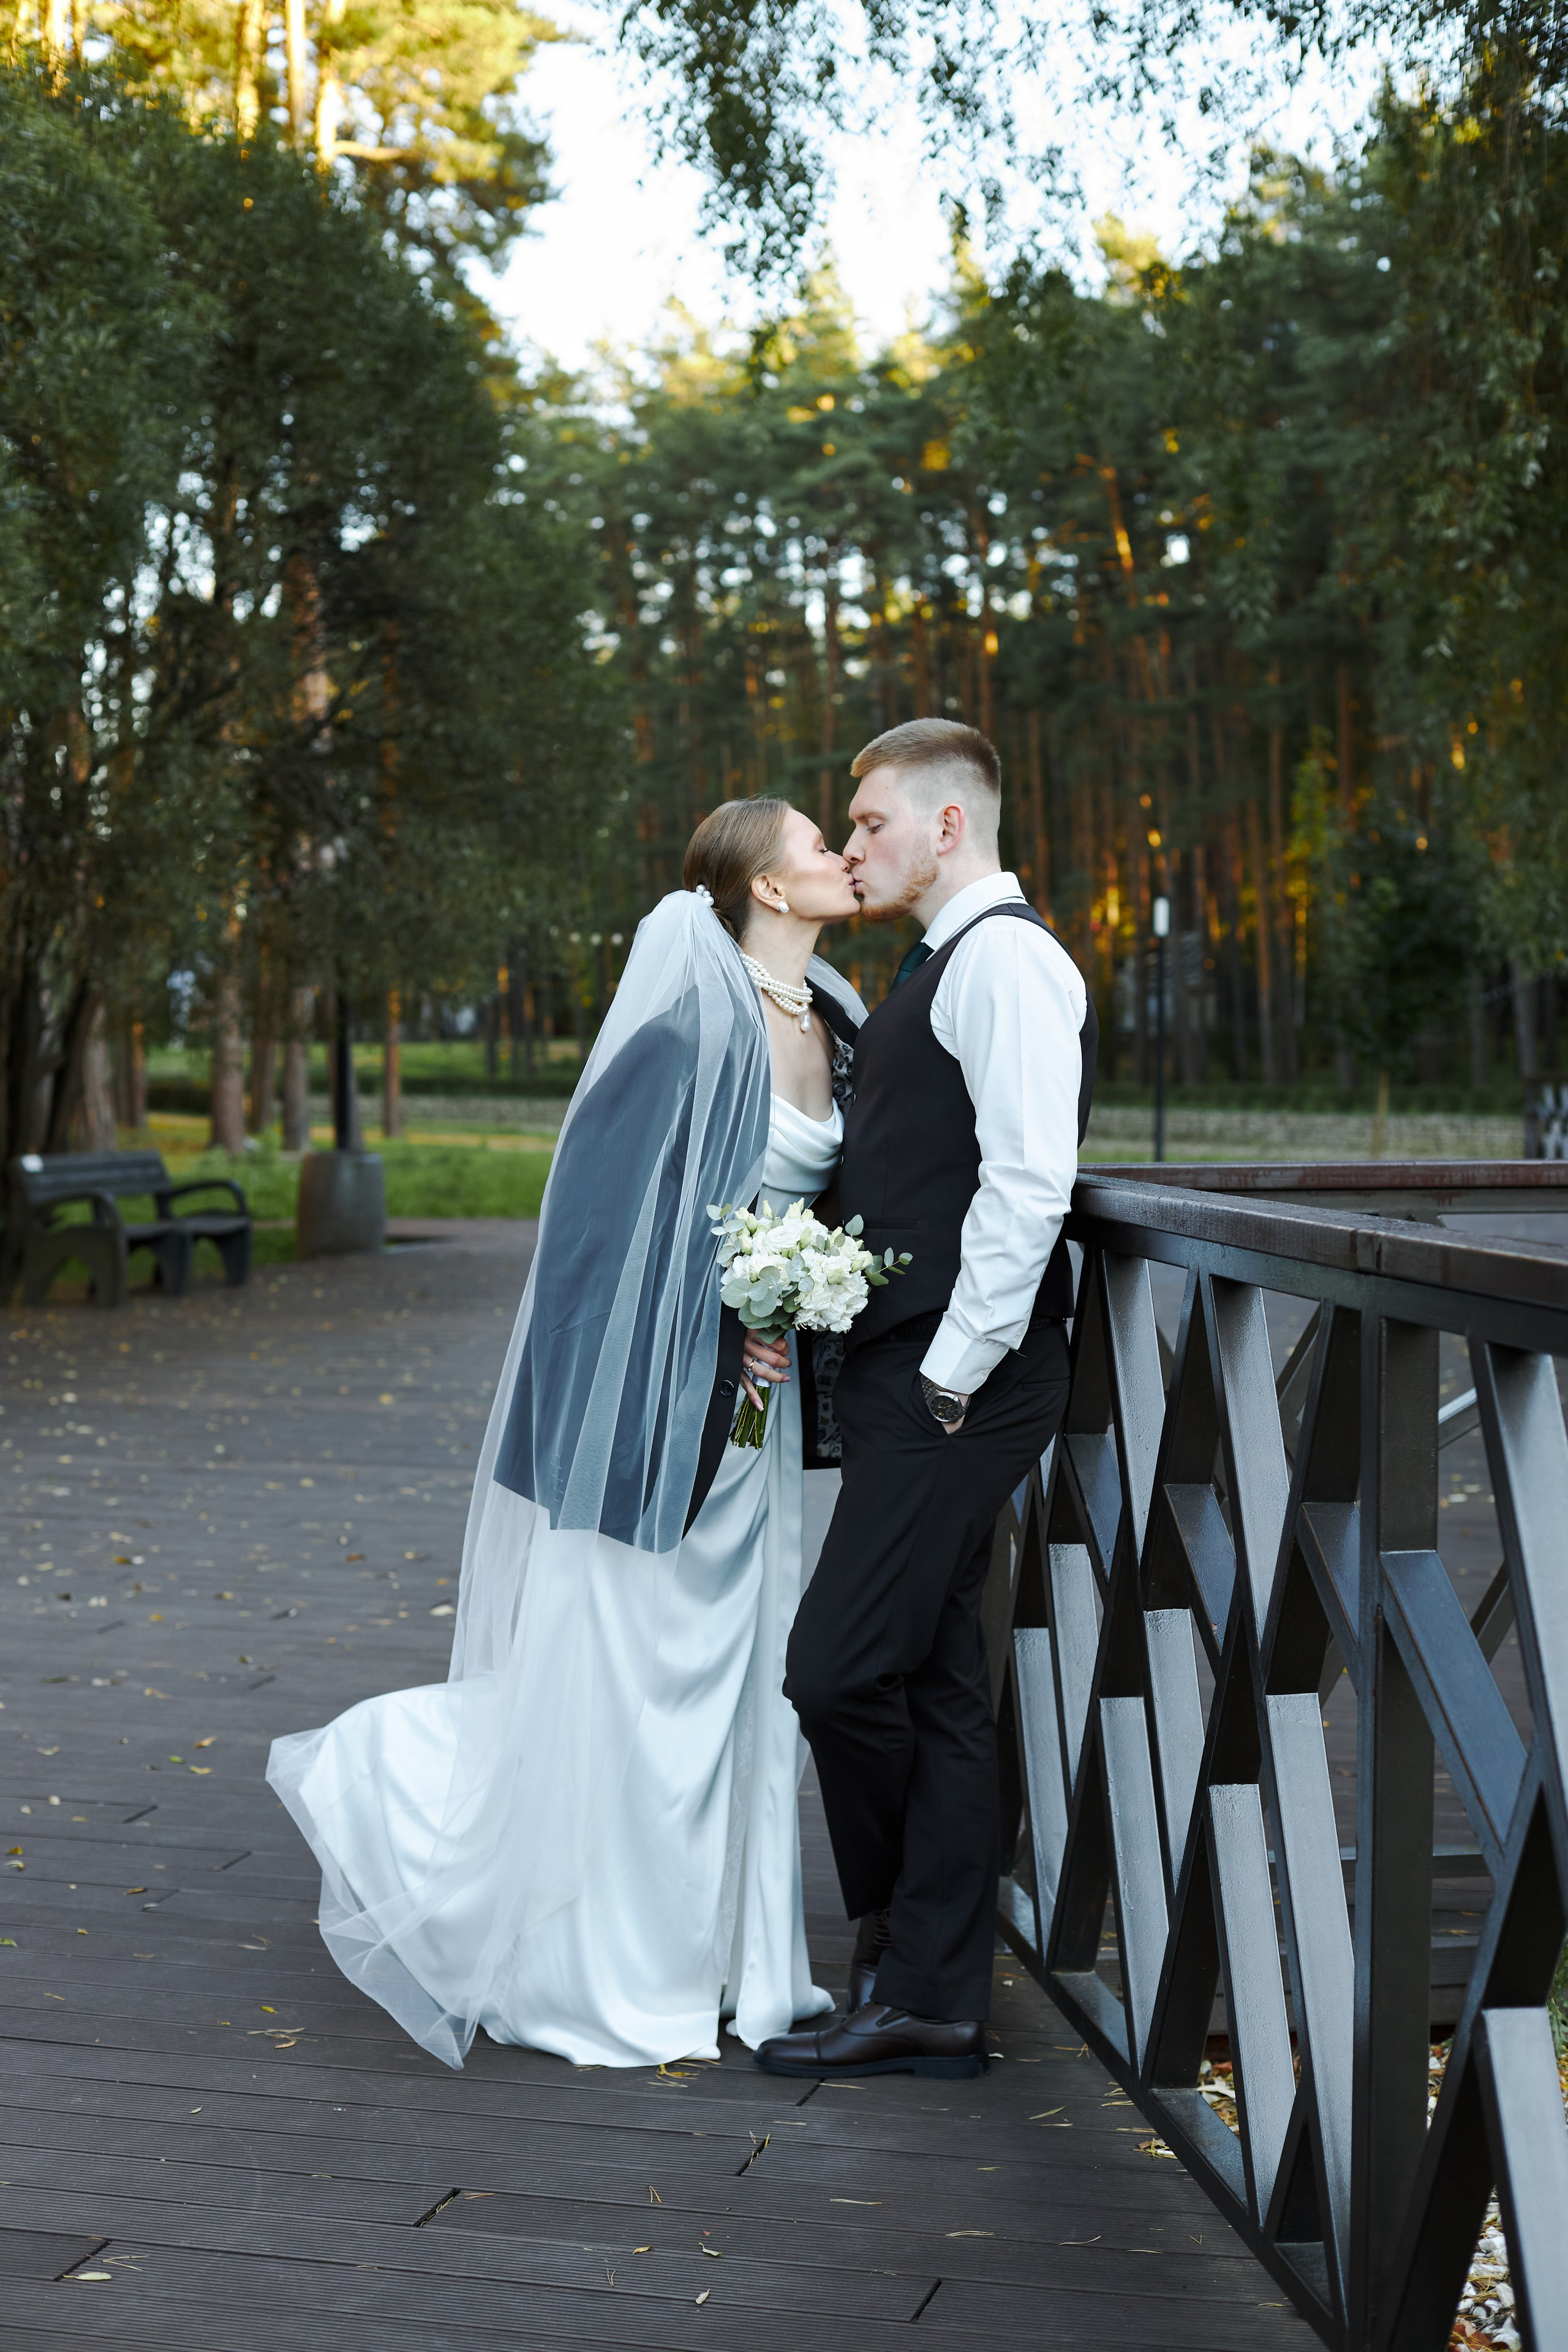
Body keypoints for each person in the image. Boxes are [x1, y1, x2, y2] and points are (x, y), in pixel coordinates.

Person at [267, 798, 864, 2070]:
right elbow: (597, 1242)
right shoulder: (684, 1030)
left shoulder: (842, 1024)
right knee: (638, 1675)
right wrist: (723, 1324)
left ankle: (735, 1965)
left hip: (764, 1431)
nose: (838, 858)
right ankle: (603, 1952)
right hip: (660, 1423)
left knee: (744, 1674)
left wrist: (802, 1305)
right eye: (816, 845)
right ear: (763, 886)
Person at [758, 718, 1097, 2082]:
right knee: (936, 1679)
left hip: (959, 1383)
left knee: (832, 1669)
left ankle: (906, 1954)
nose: (852, 851)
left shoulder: (1005, 961)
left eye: (871, 827)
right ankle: (929, 1993)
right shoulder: (942, 961)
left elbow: (1027, 1183)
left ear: (947, 825)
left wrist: (953, 1374)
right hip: (918, 1372)